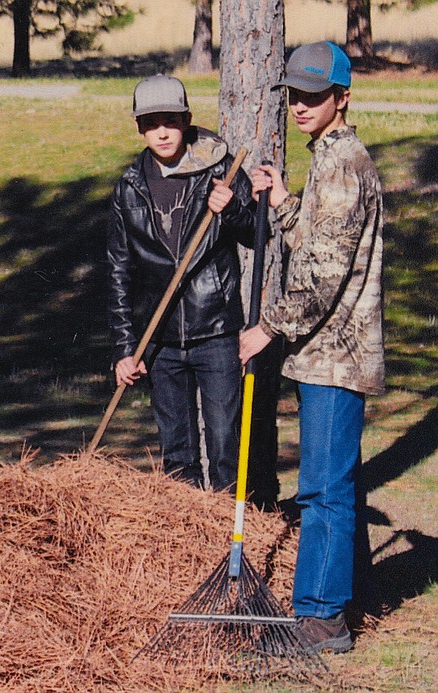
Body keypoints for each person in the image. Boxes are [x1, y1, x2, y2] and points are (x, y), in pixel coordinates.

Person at [241, 41, 384, 654]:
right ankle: (336, 601)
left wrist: (266, 328)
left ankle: (322, 620)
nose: (301, 105)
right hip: (325, 351)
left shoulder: (347, 163)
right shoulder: (327, 160)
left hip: (336, 354)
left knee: (323, 488)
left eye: (314, 95)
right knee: (331, 485)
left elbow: (324, 274)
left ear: (342, 97)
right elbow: (319, 239)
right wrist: (282, 204)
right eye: (295, 95)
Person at [107, 74, 258, 492]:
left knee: (226, 446)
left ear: (187, 120)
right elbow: (119, 272)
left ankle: (230, 543)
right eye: (152, 122)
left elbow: (254, 234)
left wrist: (230, 211)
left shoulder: (221, 170)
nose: (162, 131)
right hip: (159, 339)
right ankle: (186, 545)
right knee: (177, 454)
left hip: (216, 332)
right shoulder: (128, 188)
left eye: (171, 121)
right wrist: (125, 349)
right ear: (139, 127)